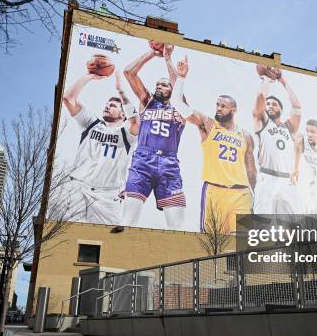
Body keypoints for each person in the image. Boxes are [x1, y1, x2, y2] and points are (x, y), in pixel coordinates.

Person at [171, 56, 256, 234]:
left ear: (233, 110)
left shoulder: (246, 135)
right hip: (214, 192)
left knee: (240, 245)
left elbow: (251, 169)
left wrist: (254, 195)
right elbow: (179, 104)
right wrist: (181, 77)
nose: (218, 108)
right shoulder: (209, 125)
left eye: (223, 106)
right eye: (217, 104)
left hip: (241, 194)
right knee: (212, 244)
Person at [121, 43, 186, 229]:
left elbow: (178, 86)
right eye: (157, 84)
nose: (159, 86)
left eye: (164, 85)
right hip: (143, 160)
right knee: (128, 220)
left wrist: (167, 58)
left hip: (169, 164)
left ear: (172, 89)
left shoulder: (180, 108)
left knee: (177, 227)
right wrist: (152, 54)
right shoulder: (146, 102)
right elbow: (128, 72)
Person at [62, 70, 139, 224]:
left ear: (123, 115)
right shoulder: (91, 123)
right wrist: (90, 76)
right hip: (77, 188)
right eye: (106, 104)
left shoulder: (127, 135)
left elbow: (136, 122)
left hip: (107, 197)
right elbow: (68, 98)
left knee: (109, 241)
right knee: (64, 235)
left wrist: (121, 91)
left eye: (112, 106)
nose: (107, 107)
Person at [252, 66, 302, 215]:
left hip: (286, 180)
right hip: (266, 178)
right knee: (263, 228)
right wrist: (266, 80)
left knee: (292, 229)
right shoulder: (263, 123)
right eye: (268, 104)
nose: (270, 106)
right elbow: (258, 105)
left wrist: (283, 82)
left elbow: (297, 106)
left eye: (274, 104)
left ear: (280, 108)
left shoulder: (289, 127)